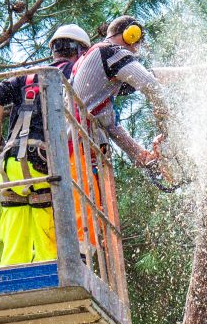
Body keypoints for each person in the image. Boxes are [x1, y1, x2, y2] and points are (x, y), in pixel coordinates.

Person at [0, 24, 91, 266]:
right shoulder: (75, 74)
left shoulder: (27, 75)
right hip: (43, 161)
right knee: (47, 226)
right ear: (80, 51)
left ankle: (11, 275)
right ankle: (54, 273)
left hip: (11, 162)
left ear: (54, 49)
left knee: (14, 225)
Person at [68, 15, 167, 241]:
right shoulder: (111, 52)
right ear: (130, 35)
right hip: (82, 149)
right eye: (137, 42)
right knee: (87, 225)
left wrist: (141, 155)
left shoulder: (96, 61)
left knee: (90, 222)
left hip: (80, 148)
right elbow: (151, 84)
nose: (136, 51)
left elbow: (110, 125)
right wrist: (165, 120)